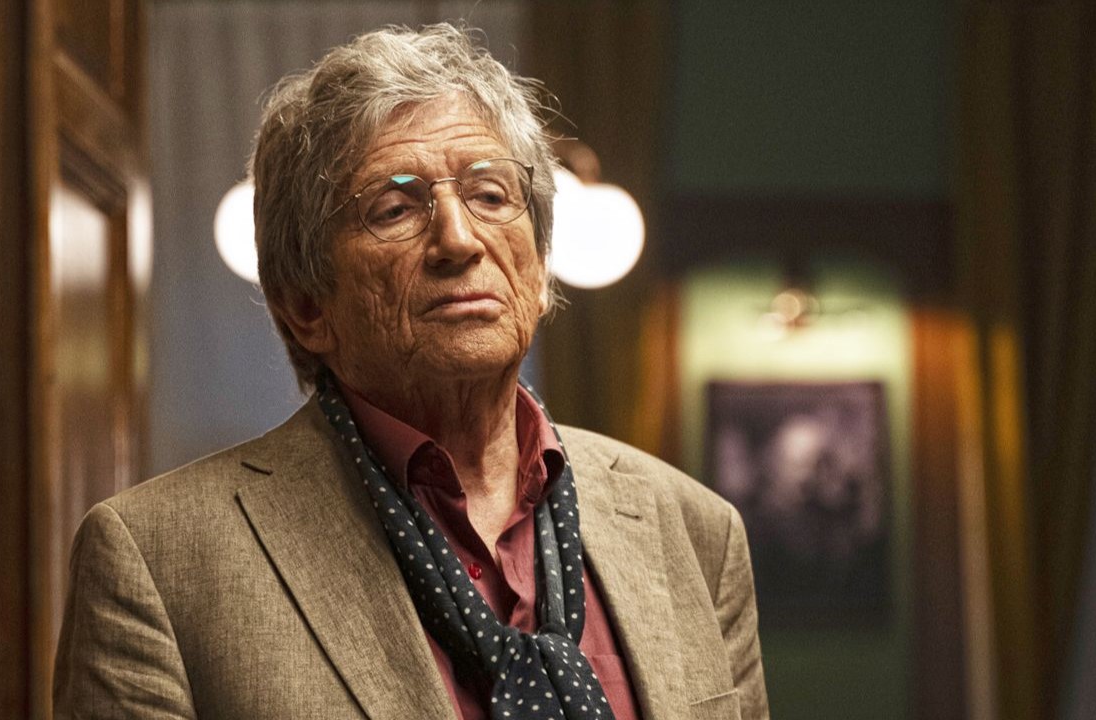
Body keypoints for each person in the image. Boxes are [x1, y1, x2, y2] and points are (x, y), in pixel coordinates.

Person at [54, 24, 768, 720]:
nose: (459, 239)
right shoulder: (157, 559)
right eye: (394, 208)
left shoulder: (695, 531)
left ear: (539, 273)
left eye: (490, 196)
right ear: (306, 306)